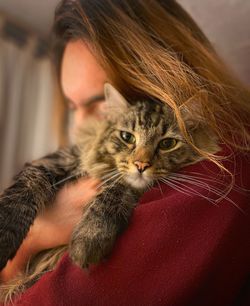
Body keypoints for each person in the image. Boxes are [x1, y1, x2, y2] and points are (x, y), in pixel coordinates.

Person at [1, 0, 250, 305]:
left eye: (99, 102)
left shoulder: (221, 170)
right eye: (72, 106)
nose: (80, 126)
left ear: (156, 79)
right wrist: (35, 234)